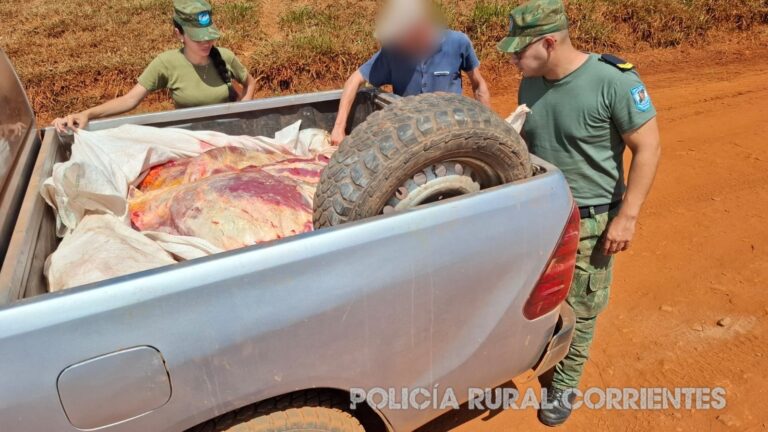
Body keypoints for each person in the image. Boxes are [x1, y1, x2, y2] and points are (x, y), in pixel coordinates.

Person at [497, 0, 661, 426]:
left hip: (590, 220)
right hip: (537, 215)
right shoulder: (531, 82)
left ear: (549, 42)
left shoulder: (613, 82)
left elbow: (649, 148)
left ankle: (561, 389)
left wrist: (627, 217)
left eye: (520, 49)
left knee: (581, 308)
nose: (514, 58)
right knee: (531, 301)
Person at [53, 0, 257, 133]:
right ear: (179, 34)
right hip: (189, 141)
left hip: (228, 137)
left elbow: (250, 82)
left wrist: (243, 109)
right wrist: (87, 114)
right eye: (198, 39)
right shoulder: (166, 64)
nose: (206, 43)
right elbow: (130, 100)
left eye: (209, 38)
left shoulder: (225, 56)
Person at [330, 0, 491, 145]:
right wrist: (338, 127)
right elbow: (354, 80)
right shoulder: (392, 52)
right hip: (410, 139)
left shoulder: (457, 43)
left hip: (451, 135)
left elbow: (478, 85)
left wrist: (490, 129)